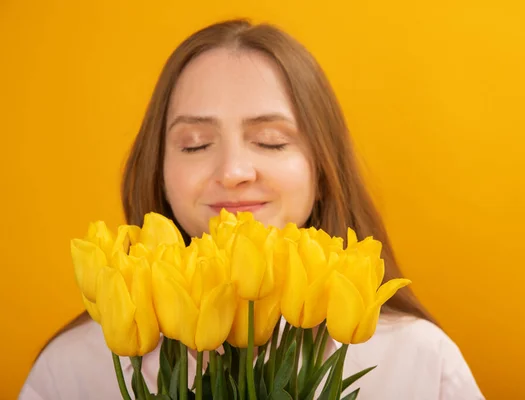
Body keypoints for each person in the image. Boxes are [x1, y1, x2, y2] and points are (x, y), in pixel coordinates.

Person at [19, 18, 485, 399]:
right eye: (196, 144)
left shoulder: (420, 365)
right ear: (156, 171)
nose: (234, 170)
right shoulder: (73, 372)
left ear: (323, 169)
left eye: (270, 141)